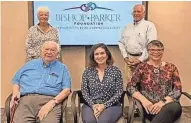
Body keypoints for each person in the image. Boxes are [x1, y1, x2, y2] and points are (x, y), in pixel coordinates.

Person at [10, 41, 71, 123]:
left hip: (49, 102)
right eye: (46, 49)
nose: (49, 52)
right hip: (25, 102)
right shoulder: (30, 64)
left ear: (57, 53)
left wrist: (52, 103)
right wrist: (15, 92)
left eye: (52, 50)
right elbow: (16, 81)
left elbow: (66, 90)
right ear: (42, 51)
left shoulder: (62, 68)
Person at [126, 40, 182, 123]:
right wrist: (144, 101)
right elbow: (130, 87)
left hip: (169, 105)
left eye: (159, 50)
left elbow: (177, 90)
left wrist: (162, 103)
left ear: (163, 51)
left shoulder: (171, 67)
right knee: (163, 117)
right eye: (152, 50)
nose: (156, 52)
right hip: (149, 107)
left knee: (169, 110)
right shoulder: (141, 67)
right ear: (148, 51)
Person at [81, 43, 123, 123]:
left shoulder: (115, 71)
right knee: (90, 121)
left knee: (103, 121)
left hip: (112, 105)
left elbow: (119, 92)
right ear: (93, 57)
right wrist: (93, 106)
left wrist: (104, 105)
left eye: (102, 53)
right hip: (91, 105)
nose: (99, 56)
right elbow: (84, 91)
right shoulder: (87, 71)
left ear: (107, 55)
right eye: (96, 54)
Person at [119, 4, 157, 82]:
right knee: (130, 85)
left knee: (144, 85)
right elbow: (121, 43)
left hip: (144, 60)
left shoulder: (149, 26)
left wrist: (140, 60)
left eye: (139, 11)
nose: (136, 13)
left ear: (144, 13)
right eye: (134, 11)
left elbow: (151, 45)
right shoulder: (127, 27)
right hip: (129, 61)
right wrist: (125, 57)